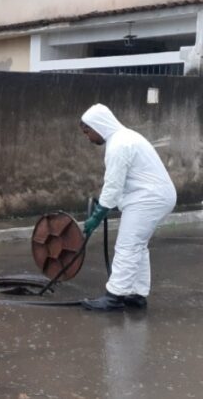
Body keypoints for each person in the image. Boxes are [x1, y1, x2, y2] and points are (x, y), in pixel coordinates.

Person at [79, 104, 176, 311]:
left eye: (88, 132)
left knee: (127, 246)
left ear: (98, 126)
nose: (88, 137)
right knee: (138, 246)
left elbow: (113, 185)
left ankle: (114, 296)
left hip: (148, 199)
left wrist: (97, 215)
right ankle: (136, 294)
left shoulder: (119, 145)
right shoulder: (126, 137)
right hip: (155, 196)